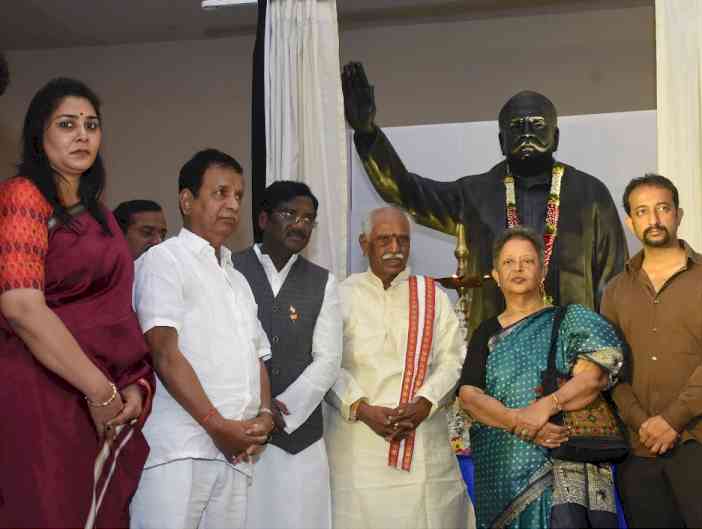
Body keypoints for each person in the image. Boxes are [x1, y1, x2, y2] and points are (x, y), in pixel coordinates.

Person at [342, 62, 628, 335]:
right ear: (501, 142)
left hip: (574, 348)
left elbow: (613, 284)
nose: (526, 133)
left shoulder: (590, 195)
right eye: (516, 127)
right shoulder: (474, 194)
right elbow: (407, 193)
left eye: (537, 125)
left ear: (556, 136)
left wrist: (603, 356)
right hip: (494, 345)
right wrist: (368, 134)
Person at [0, 77, 154, 528]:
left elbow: (115, 315)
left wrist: (128, 382)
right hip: (38, 394)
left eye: (91, 124)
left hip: (94, 400)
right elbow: (22, 308)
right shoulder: (23, 197)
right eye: (67, 124)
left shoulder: (102, 217)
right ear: (38, 135)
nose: (82, 135)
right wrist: (99, 389)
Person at [130, 149, 275, 529]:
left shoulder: (238, 278)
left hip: (233, 453)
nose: (232, 205)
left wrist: (264, 416)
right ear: (186, 199)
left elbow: (256, 358)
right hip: (181, 452)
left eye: (239, 196)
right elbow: (163, 352)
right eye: (220, 193)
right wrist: (215, 425)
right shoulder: (164, 260)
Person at [601, 173, 702, 528]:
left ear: (678, 215)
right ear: (630, 221)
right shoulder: (615, 290)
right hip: (640, 450)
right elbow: (609, 365)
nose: (653, 220)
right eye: (642, 211)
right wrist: (642, 423)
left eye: (662, 208)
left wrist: (671, 420)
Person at [457, 226, 625, 529]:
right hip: (502, 475)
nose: (518, 269)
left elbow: (594, 377)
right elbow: (469, 397)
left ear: (543, 270)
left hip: (563, 466)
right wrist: (523, 424)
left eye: (527, 261)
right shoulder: (486, 332)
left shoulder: (570, 320)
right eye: (508, 262)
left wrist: (544, 407)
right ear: (495, 274)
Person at [325, 206, 475, 529]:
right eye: (384, 240)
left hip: (421, 440)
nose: (395, 248)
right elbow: (326, 364)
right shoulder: (340, 296)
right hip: (358, 445)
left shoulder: (431, 295)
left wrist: (424, 403)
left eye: (402, 240)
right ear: (364, 245)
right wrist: (362, 409)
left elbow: (455, 358)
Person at [233, 180, 342, 529]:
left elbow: (328, 359)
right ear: (263, 219)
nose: (300, 224)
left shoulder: (322, 281)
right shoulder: (228, 268)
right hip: (239, 432)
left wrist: (279, 411)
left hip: (300, 439)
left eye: (309, 218)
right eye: (290, 214)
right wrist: (256, 411)